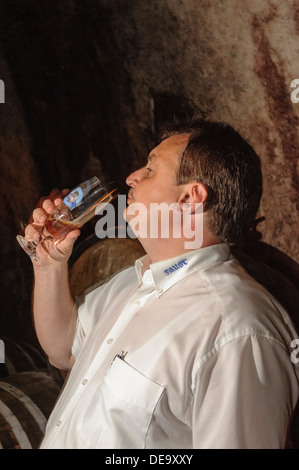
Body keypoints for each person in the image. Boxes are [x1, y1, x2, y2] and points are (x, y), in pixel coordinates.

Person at [25, 118, 299, 449]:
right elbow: (63, 349)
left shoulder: (237, 329)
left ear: (190, 197)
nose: (132, 178)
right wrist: (49, 265)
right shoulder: (134, 280)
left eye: (151, 169)